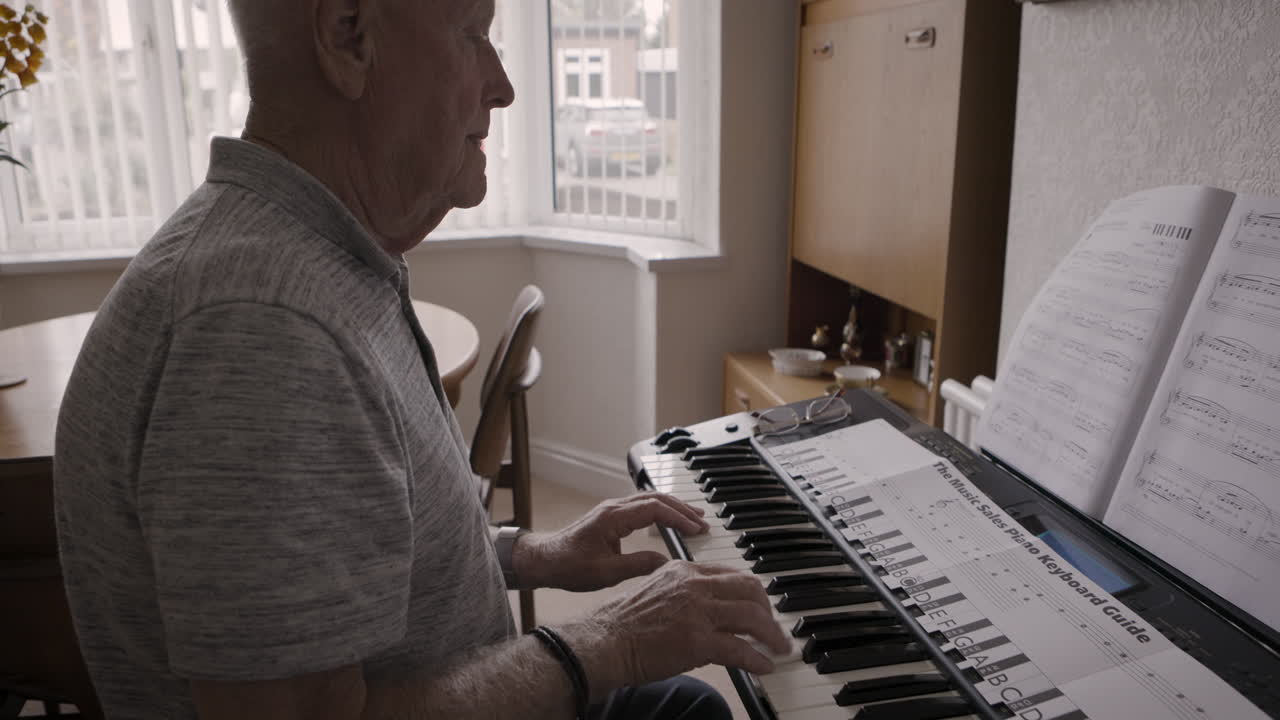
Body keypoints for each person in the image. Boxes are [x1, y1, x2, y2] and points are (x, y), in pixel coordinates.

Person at [52, 0, 790, 718]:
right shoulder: (266, 331)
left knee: (685, 705)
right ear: (349, 36)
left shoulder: (321, 261)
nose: (502, 84)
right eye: (473, 34)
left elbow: (366, 554)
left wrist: (535, 555)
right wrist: (614, 642)